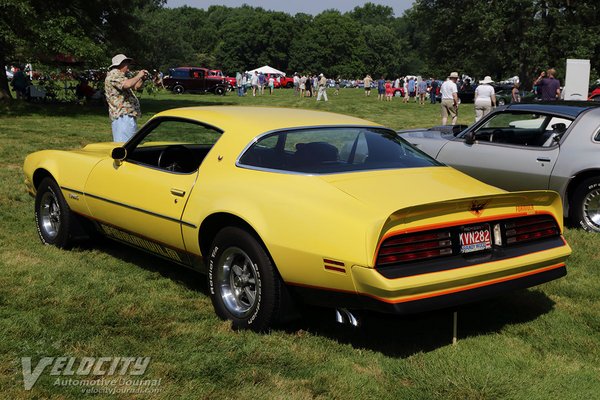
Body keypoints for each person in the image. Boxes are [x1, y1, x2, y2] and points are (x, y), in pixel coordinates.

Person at [104, 54, 148, 142]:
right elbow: (127, 84)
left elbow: (135, 87)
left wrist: (142, 79)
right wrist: (139, 75)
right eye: (127, 63)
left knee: (130, 144)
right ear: (121, 64)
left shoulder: (121, 76)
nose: (129, 66)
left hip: (127, 115)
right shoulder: (113, 75)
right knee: (124, 146)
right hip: (122, 117)